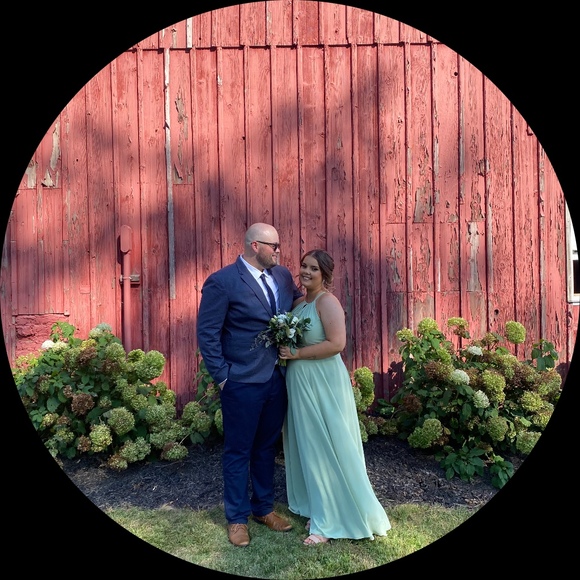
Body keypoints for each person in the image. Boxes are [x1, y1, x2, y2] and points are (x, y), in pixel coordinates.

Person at [196, 223, 304, 547]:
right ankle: (237, 519)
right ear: (255, 246)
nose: (279, 252)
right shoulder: (223, 282)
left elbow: (301, 303)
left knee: (266, 448)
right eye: (274, 246)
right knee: (238, 451)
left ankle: (263, 508)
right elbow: (208, 333)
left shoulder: (282, 276)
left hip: (276, 378)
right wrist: (223, 376)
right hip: (241, 381)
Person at [278, 249, 391, 545]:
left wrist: (296, 353)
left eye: (313, 268)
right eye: (304, 265)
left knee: (327, 445)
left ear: (325, 275)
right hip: (299, 382)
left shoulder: (328, 302)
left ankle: (329, 522)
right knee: (309, 445)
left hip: (323, 382)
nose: (306, 272)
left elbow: (337, 344)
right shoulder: (300, 303)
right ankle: (319, 506)